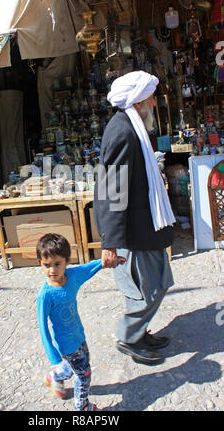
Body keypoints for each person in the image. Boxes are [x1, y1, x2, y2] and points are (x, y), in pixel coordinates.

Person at [93, 70, 176, 365]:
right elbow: (111, 189)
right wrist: (111, 243)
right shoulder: (122, 131)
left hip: (144, 226)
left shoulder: (131, 127)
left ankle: (139, 332)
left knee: (153, 284)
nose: (153, 104)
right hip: (133, 232)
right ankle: (129, 337)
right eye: (151, 98)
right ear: (139, 100)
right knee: (149, 289)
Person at [36, 232, 124, 411]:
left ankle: (54, 377)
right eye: (46, 265)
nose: (52, 270)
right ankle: (82, 408)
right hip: (67, 345)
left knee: (72, 368)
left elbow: (87, 269)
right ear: (40, 263)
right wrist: (53, 357)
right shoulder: (45, 296)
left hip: (79, 336)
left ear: (67, 262)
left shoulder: (72, 276)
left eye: (57, 264)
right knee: (84, 375)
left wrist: (105, 262)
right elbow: (43, 327)